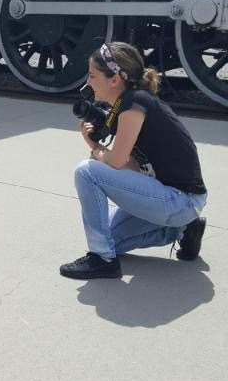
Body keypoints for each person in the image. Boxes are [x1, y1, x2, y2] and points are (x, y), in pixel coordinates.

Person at [60, 42, 207, 280]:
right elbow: (133, 166)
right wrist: (97, 149)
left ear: (114, 80)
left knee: (86, 171)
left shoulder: (133, 104)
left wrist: (96, 151)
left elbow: (116, 162)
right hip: (176, 200)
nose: (88, 83)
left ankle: (102, 259)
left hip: (181, 200)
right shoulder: (131, 103)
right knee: (109, 238)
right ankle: (184, 229)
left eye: (92, 75)